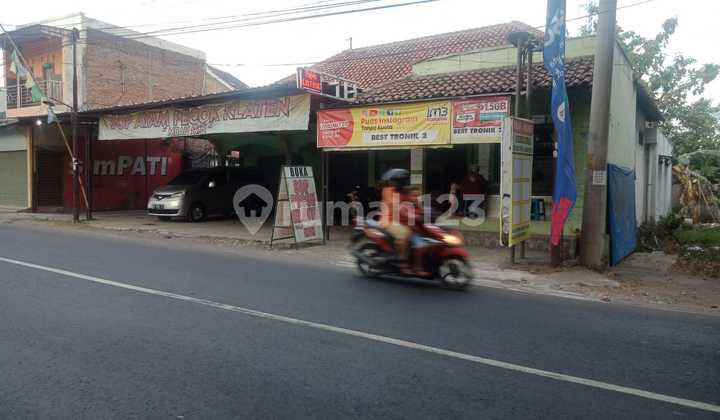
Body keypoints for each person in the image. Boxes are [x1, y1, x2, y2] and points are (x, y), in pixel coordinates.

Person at [379, 169, 413, 273]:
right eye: (395, 181)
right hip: (388, 221)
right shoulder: (388, 191)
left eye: (397, 181)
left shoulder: (404, 192)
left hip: (400, 221)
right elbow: (393, 205)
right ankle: (401, 261)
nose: (394, 183)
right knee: (404, 234)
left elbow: (413, 201)